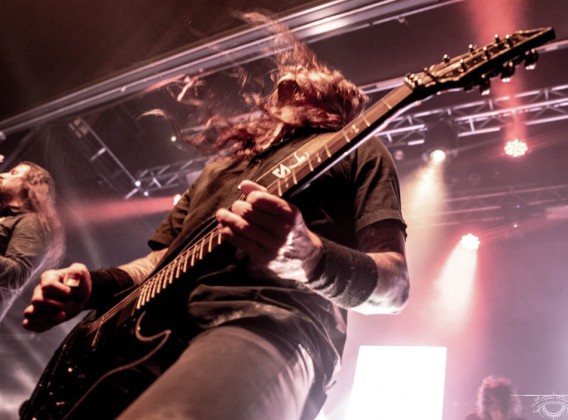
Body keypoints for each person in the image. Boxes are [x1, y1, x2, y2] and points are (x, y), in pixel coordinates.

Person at [22, 14, 410, 420]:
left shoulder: (356, 150)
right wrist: (95, 285)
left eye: (299, 82)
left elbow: (395, 288)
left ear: (325, 95)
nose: (281, 85)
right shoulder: (218, 170)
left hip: (269, 323)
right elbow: (161, 262)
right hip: (151, 331)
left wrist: (311, 260)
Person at [0, 161, 64, 323]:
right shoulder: (6, 216)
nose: (2, 175)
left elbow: (18, 274)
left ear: (29, 186)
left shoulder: (33, 222)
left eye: (13, 173)